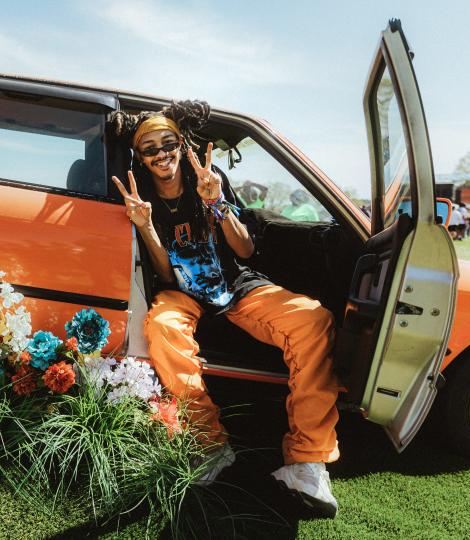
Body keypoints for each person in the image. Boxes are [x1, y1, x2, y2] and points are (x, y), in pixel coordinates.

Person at [109, 102, 341, 518]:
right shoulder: (142, 196)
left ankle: (307, 461)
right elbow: (163, 270)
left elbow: (246, 249)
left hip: (235, 284)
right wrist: (144, 226)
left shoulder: (210, 180)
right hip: (181, 292)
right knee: (161, 326)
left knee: (313, 319)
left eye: (168, 143)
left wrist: (216, 202)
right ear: (140, 156)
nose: (160, 154)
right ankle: (210, 445)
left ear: (180, 144)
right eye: (149, 148)